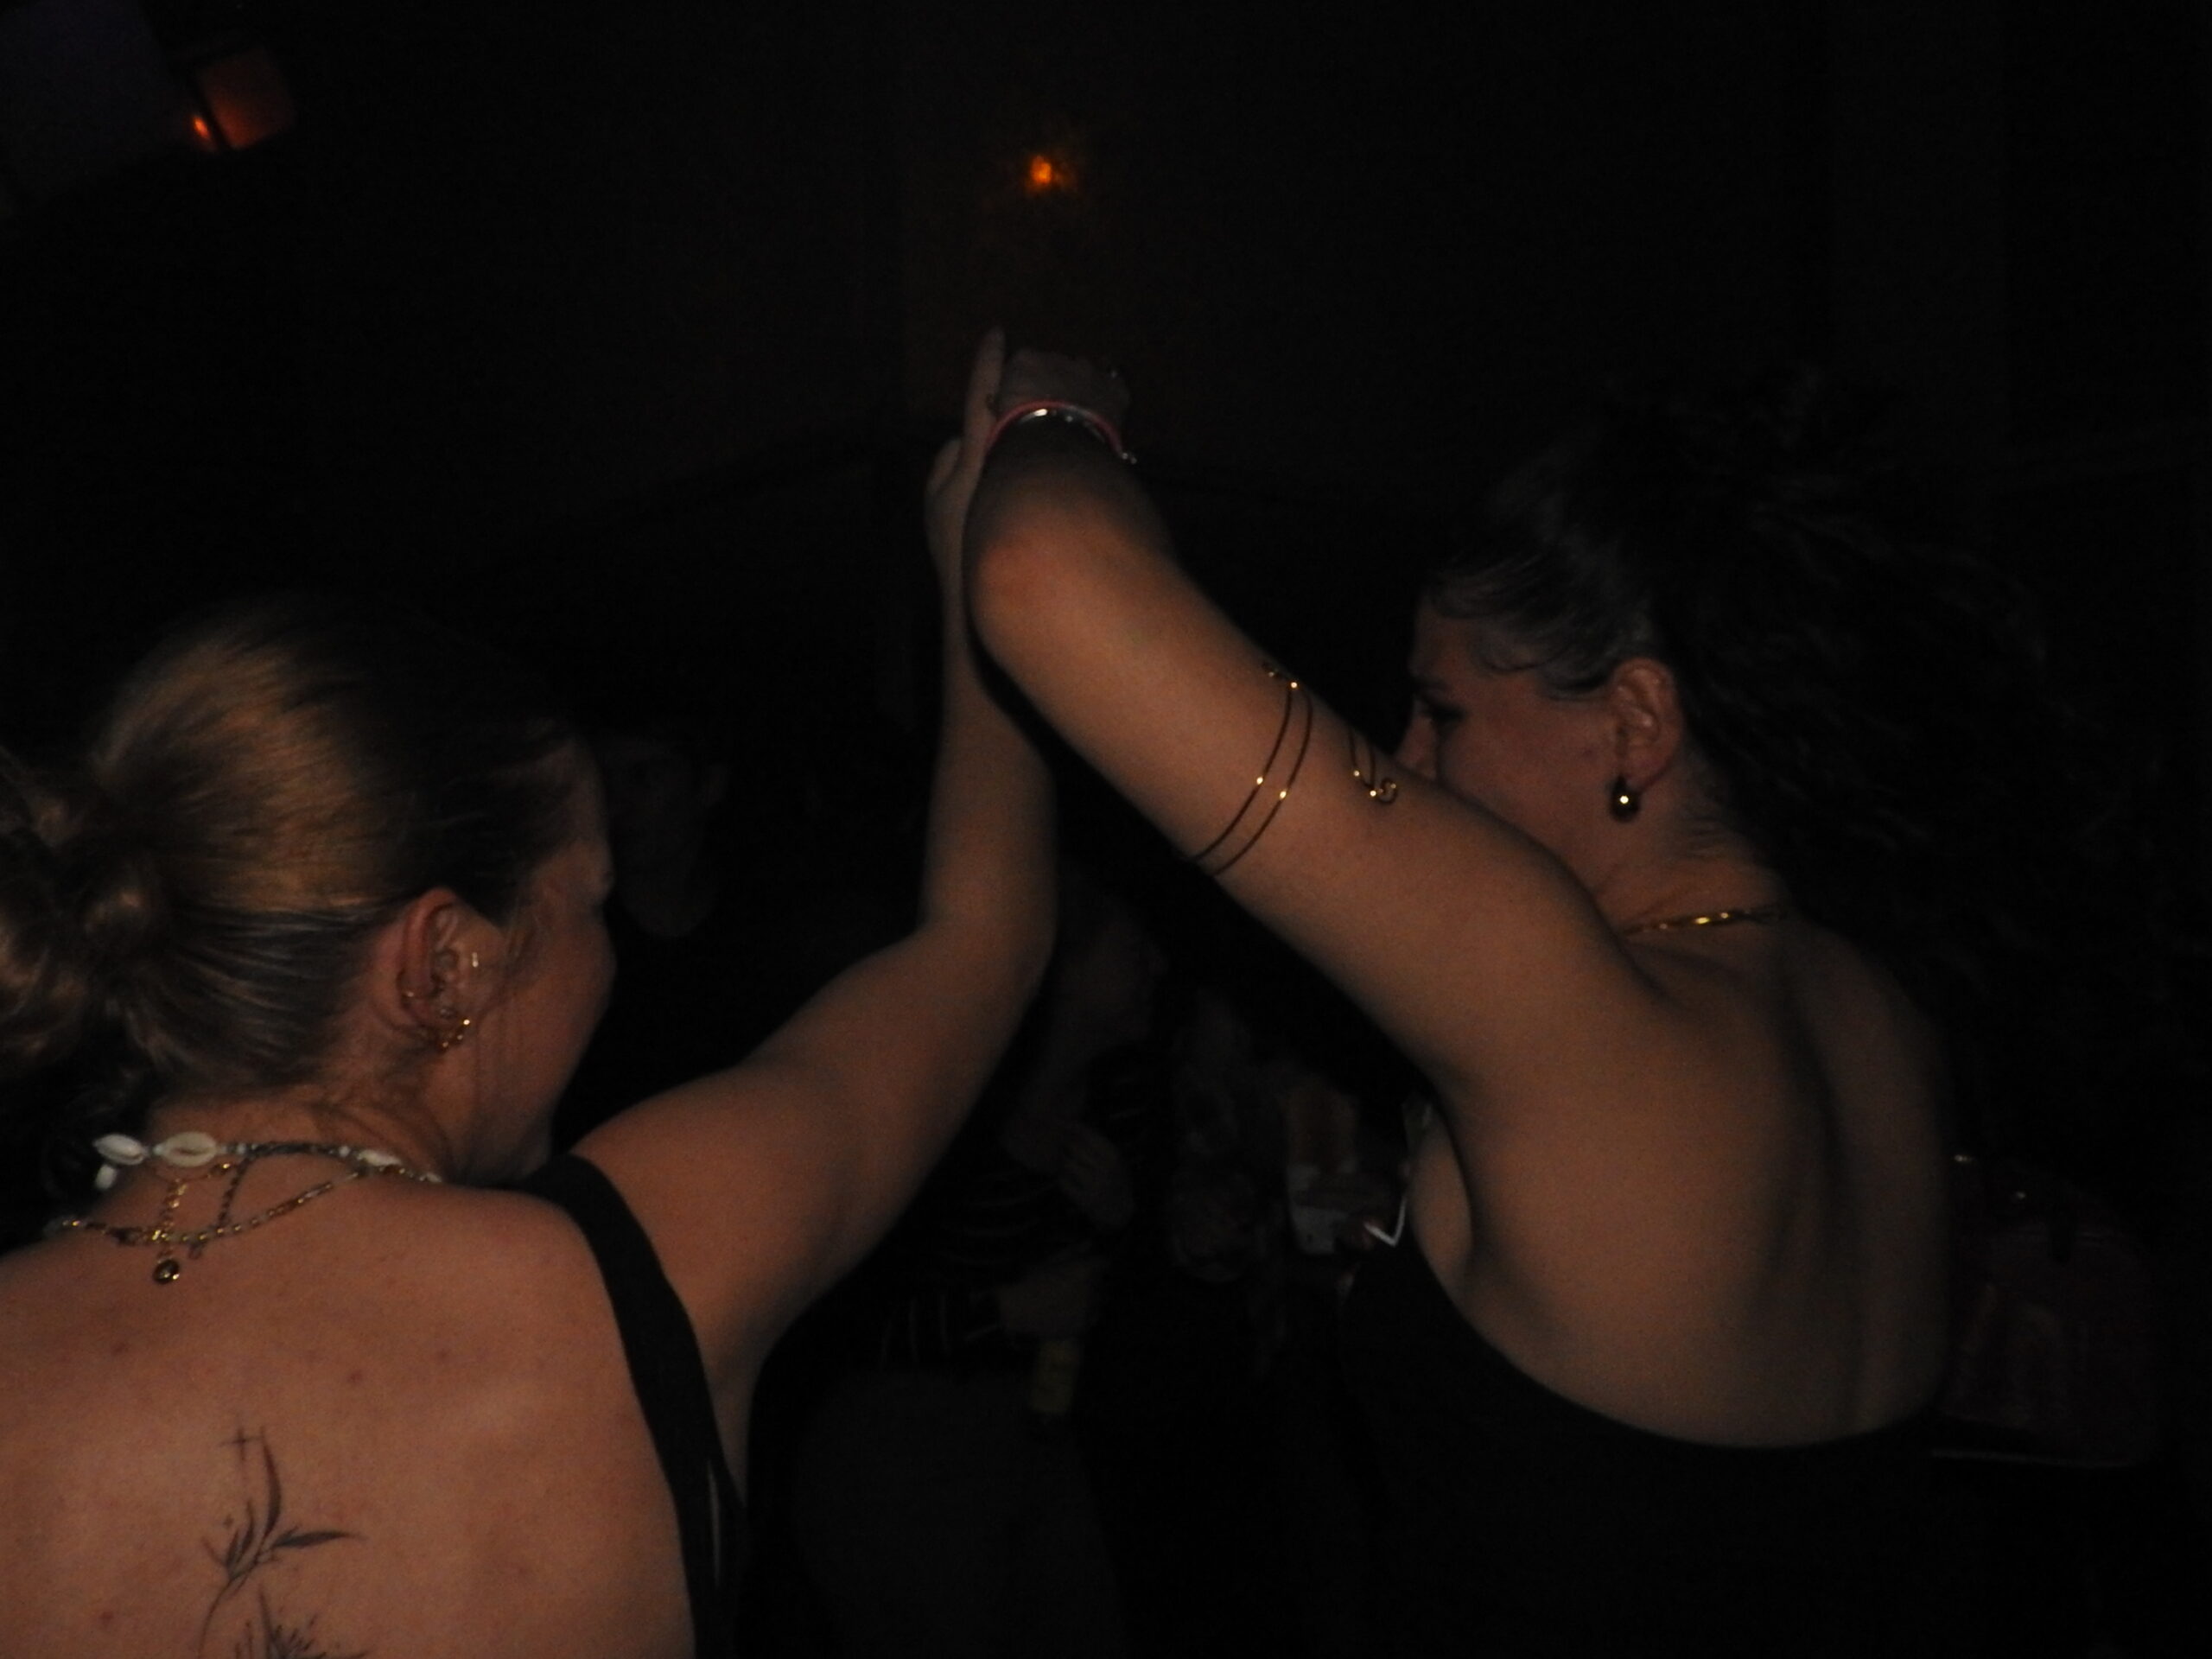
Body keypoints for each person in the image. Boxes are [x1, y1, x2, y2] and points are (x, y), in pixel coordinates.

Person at [946, 334, 2120, 1653]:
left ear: (1634, 724)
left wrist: (1058, 415)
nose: (1409, 757)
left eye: (1444, 710)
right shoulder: (1877, 1007)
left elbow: (1042, 569)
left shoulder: (1579, 1012)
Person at [0, 345, 1051, 1659]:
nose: (609, 955)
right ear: (444, 962)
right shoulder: (640, 1275)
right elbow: (980, 940)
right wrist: (1003, 547)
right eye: (587, 903)